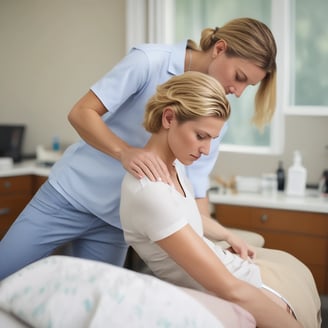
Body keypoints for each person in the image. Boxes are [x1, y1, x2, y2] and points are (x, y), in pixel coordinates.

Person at [0, 17, 277, 279]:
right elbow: (81, 112)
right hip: (70, 195)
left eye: (248, 86)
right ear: (219, 48)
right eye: (239, 77)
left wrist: (218, 240)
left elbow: (195, 188)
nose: (238, 91)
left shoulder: (214, 121)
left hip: (115, 223)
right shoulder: (149, 61)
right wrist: (124, 151)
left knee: (91, 313)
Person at [120, 71, 321, 328]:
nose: (205, 151)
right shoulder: (149, 193)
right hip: (227, 288)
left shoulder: (175, 166)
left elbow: (188, 217)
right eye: (201, 136)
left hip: (233, 270)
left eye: (212, 139)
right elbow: (231, 290)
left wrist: (228, 236)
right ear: (168, 118)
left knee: (296, 273)